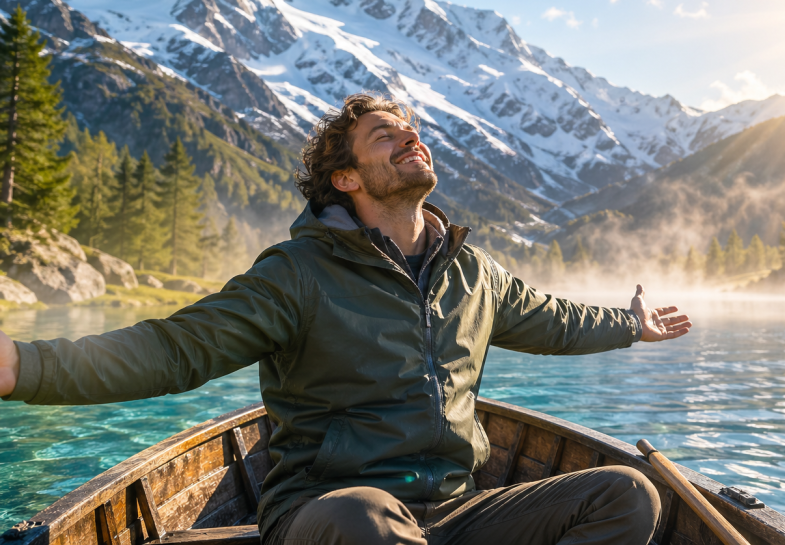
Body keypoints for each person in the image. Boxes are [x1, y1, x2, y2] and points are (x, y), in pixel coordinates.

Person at [0, 92, 692, 545]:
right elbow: (175, 349)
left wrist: (630, 322)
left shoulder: (472, 273)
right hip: (328, 515)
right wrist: (21, 366)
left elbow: (554, 319)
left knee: (626, 496)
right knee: (365, 520)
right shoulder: (297, 274)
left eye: (411, 129)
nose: (409, 137)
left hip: (453, 512)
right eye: (384, 134)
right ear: (346, 178)